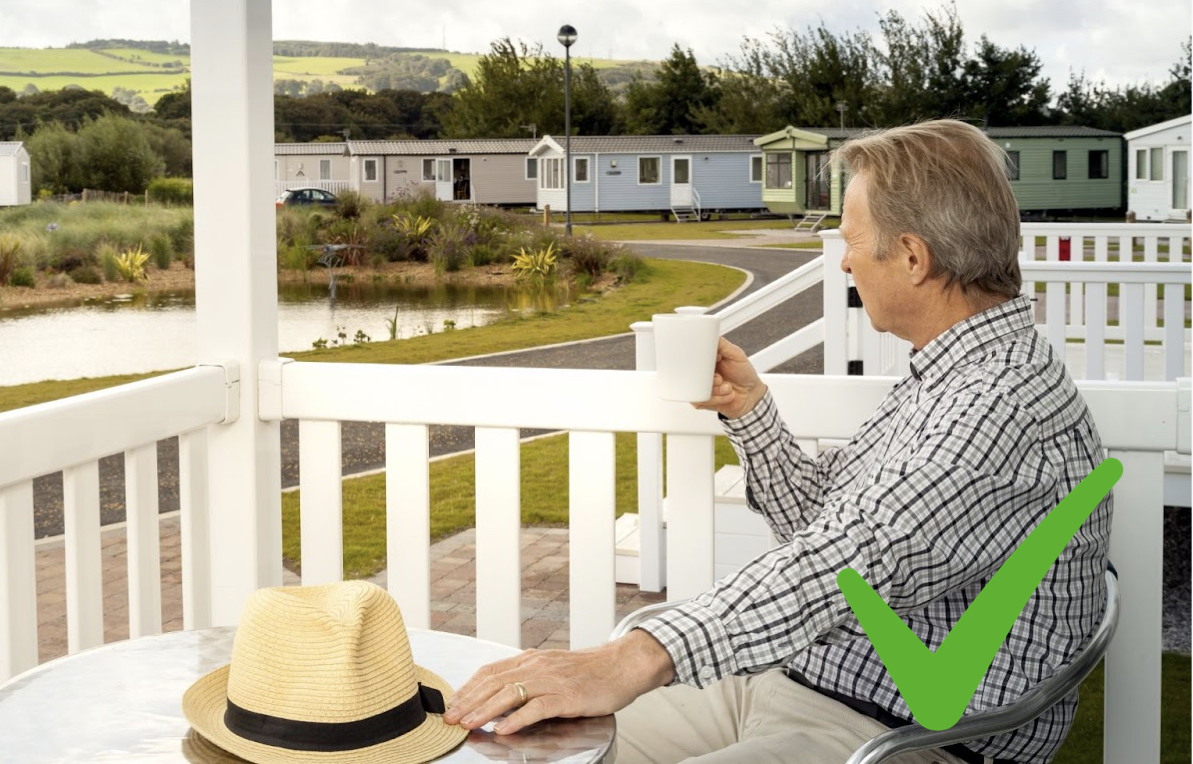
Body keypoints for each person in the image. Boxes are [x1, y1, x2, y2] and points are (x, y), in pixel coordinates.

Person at [444, 120, 1112, 764]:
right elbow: (825, 526)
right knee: (528, 742)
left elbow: (853, 562)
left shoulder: (998, 405)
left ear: (913, 257)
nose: (844, 259)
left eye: (852, 239)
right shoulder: (948, 371)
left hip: (902, 734)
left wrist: (635, 655)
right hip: (798, 678)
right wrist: (752, 412)